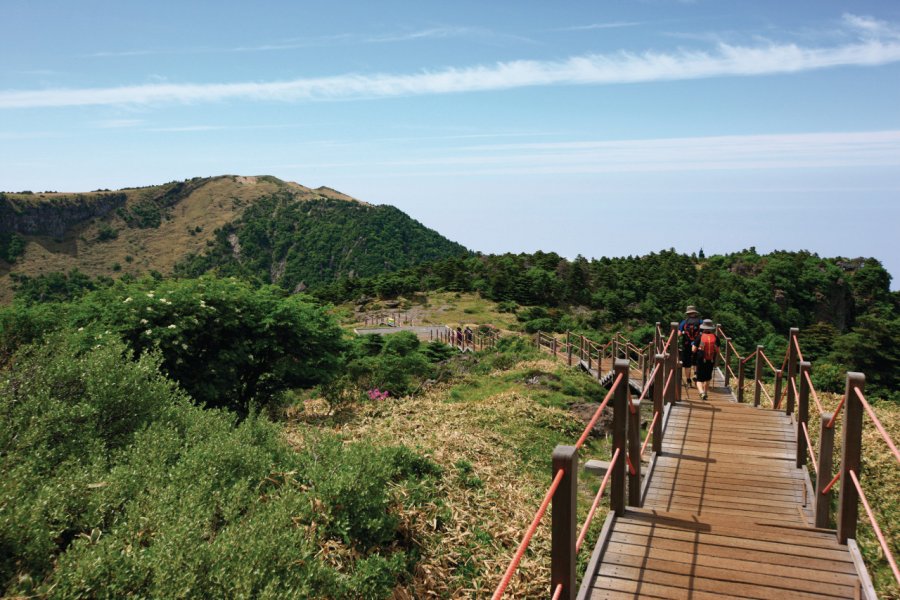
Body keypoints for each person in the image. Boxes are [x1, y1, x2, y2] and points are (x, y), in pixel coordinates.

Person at [692, 319, 719, 400]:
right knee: (707, 378)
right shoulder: (715, 337)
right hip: (710, 359)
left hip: (700, 360)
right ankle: (705, 392)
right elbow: (718, 350)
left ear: (703, 327)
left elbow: (693, 350)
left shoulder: (700, 337)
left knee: (699, 378)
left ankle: (701, 392)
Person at [678, 306, 703, 384]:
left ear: (688, 313)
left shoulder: (684, 322)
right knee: (697, 360)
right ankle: (695, 374)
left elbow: (678, 334)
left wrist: (681, 333)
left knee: (687, 363)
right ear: (695, 313)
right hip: (698, 344)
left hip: (686, 344)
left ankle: (688, 379)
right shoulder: (700, 321)